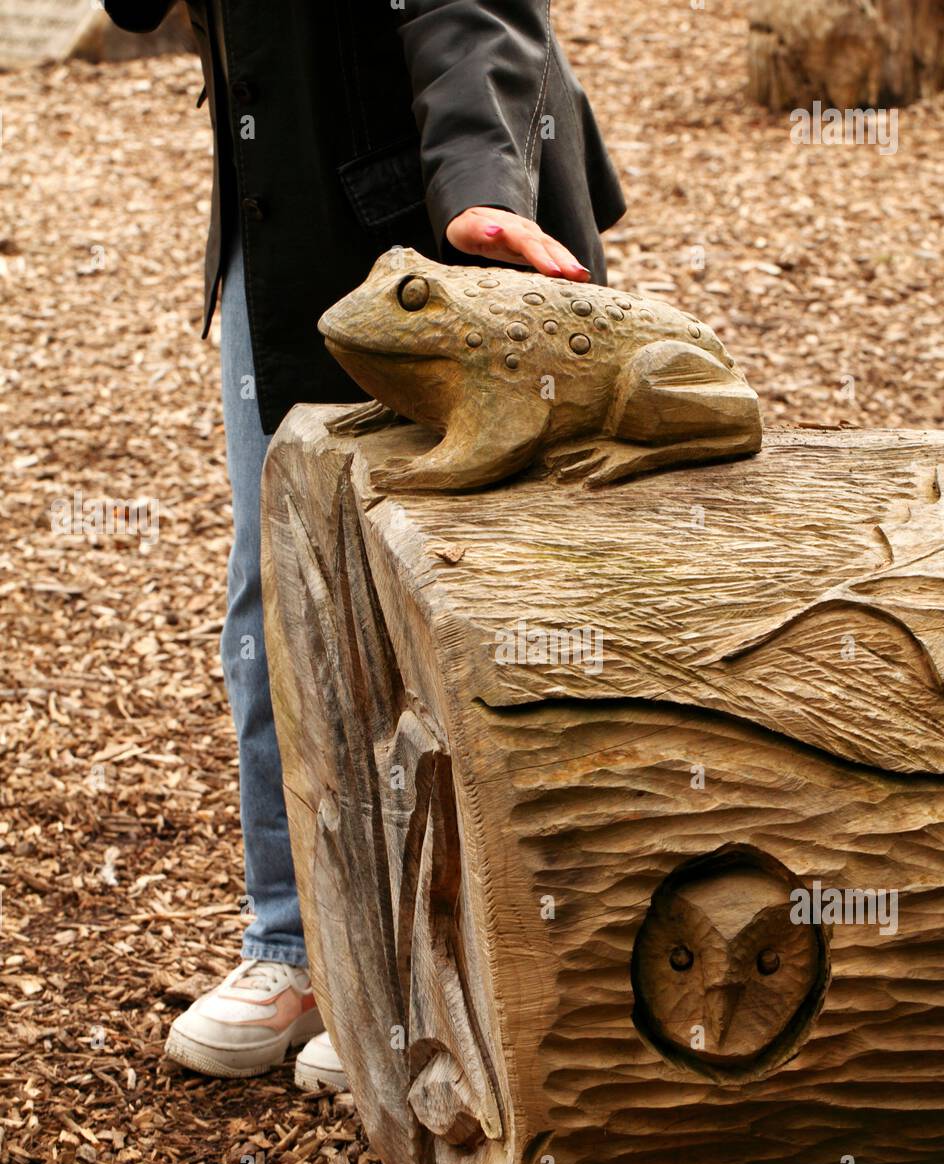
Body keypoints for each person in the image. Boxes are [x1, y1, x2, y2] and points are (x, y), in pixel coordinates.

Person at [104, 1, 625, 1087]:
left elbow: (468, 5)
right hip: (277, 200)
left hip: (453, 219)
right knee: (279, 581)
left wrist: (481, 191)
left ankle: (422, 968)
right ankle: (295, 945)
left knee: (447, 582)